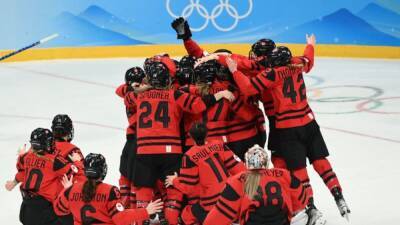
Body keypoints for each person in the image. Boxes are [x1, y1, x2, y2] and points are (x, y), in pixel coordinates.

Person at [225, 35, 351, 222]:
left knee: (295, 169)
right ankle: (338, 197)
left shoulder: (268, 73)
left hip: (283, 127)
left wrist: (234, 72)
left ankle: (309, 207)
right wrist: (310, 45)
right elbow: (308, 60)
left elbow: (249, 88)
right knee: (319, 160)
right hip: (308, 121)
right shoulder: (295, 64)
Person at [127, 61, 235, 225]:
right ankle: (171, 220)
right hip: (171, 151)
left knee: (143, 187)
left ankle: (141, 220)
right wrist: (219, 95)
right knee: (173, 188)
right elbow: (197, 106)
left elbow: (124, 94)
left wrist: (139, 87)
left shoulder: (138, 96)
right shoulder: (175, 94)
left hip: (144, 151)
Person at [203, 144, 311, 225]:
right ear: (265, 161)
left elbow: (219, 215)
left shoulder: (237, 180)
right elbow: (301, 201)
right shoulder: (283, 174)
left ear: (247, 162)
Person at [165, 122, 246, 224]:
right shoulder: (219, 144)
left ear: (191, 137)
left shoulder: (189, 155)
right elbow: (239, 169)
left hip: (211, 205)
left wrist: (174, 181)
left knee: (187, 213)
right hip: (230, 196)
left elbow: (188, 187)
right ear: (207, 134)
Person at [54, 153, 164, 225]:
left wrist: (67, 189)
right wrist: (146, 211)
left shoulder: (72, 189)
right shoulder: (110, 191)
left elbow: (59, 210)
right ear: (103, 170)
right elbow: (120, 218)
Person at [5, 128, 82, 225]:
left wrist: (13, 183)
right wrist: (77, 162)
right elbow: (77, 173)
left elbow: (23, 172)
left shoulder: (26, 157)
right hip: (47, 213)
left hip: (26, 209)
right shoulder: (55, 161)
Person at [115, 66, 146, 208]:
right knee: (132, 173)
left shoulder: (129, 93)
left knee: (127, 171)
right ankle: (134, 207)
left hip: (134, 137)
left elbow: (120, 89)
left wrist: (132, 87)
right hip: (140, 137)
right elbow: (119, 89)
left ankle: (127, 203)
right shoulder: (141, 95)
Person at [52, 114, 86, 183]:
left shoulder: (43, 147)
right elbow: (84, 175)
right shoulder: (73, 150)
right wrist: (78, 162)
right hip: (63, 191)